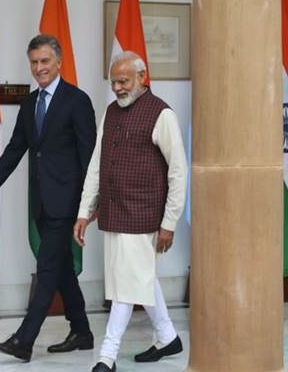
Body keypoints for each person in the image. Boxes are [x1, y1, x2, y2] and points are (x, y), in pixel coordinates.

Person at [0, 34, 96, 362]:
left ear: (59, 62)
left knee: (46, 269)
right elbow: (16, 147)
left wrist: (89, 204)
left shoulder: (77, 100)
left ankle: (24, 340)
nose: (39, 67)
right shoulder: (30, 103)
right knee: (61, 269)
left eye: (45, 61)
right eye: (34, 62)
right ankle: (82, 332)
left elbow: (89, 156)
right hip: (42, 201)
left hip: (67, 202)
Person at [73, 51, 188, 372]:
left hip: (144, 217)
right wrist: (84, 211)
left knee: (126, 283)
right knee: (138, 276)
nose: (117, 88)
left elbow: (178, 172)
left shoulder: (162, 114)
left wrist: (169, 223)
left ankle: (106, 356)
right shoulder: (110, 112)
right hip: (113, 214)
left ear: (142, 77)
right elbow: (96, 165)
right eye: (113, 82)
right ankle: (168, 337)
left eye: (123, 81)